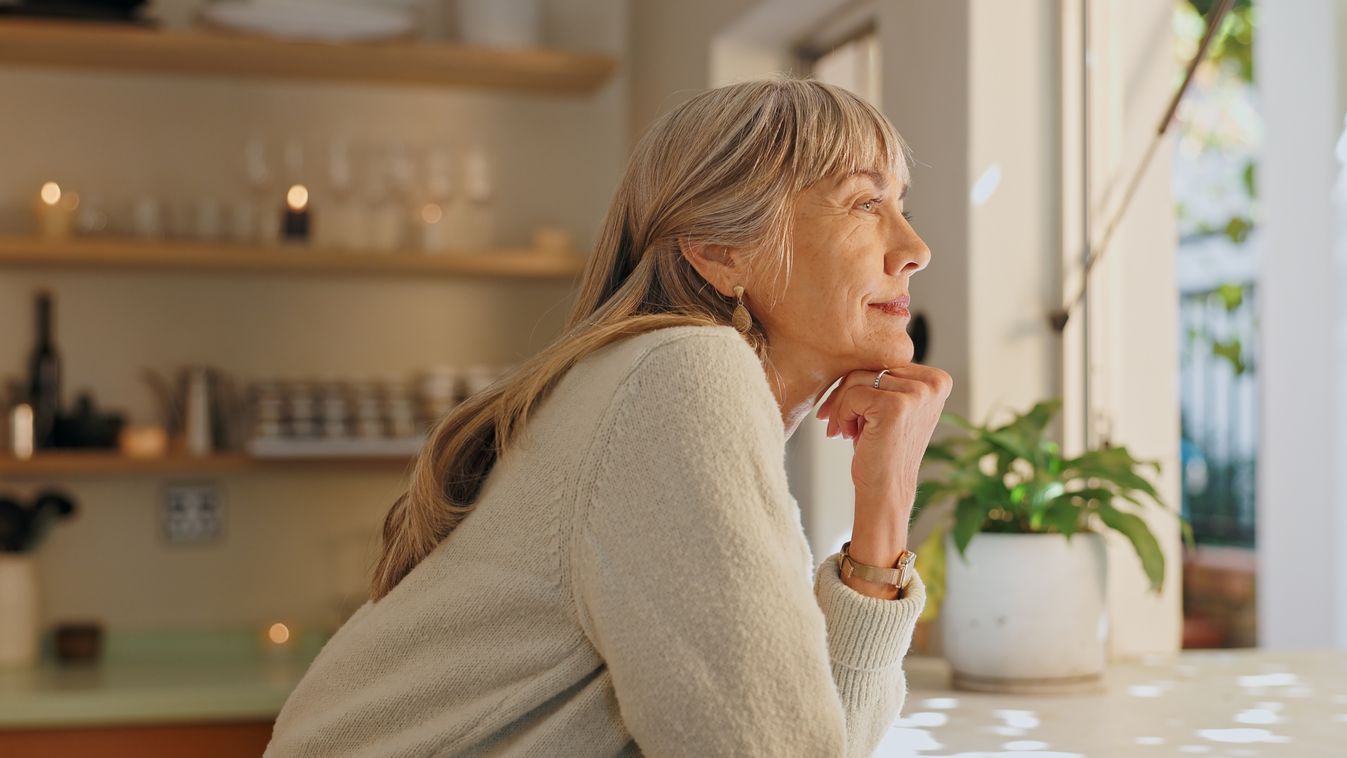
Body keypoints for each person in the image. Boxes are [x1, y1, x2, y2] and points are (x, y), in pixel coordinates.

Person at [265, 75, 952, 758]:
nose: (913, 248)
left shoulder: (664, 381)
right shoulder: (681, 372)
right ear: (719, 252)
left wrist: (883, 505)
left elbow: (821, 736)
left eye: (902, 205)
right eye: (864, 203)